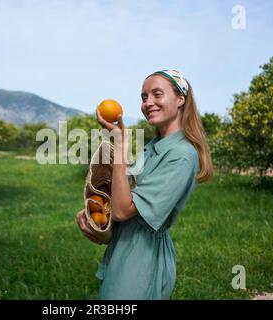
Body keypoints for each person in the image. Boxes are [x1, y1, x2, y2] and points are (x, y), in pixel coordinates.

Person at [76, 69, 213, 300]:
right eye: (144, 97)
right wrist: (100, 224)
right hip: (124, 251)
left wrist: (120, 144)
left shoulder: (181, 155)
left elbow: (122, 211)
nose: (148, 102)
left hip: (142, 262)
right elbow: (122, 202)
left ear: (180, 99)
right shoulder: (153, 147)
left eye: (157, 94)